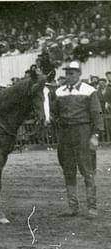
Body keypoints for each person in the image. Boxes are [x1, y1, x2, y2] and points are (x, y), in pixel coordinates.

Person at [51, 61, 104, 219]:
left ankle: (92, 207)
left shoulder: (89, 91)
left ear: (79, 74)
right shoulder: (59, 92)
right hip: (65, 133)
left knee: (87, 170)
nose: (69, 76)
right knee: (68, 169)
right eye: (66, 73)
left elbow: (97, 113)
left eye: (72, 73)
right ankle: (72, 206)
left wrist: (95, 135)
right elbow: (54, 111)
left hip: (83, 131)